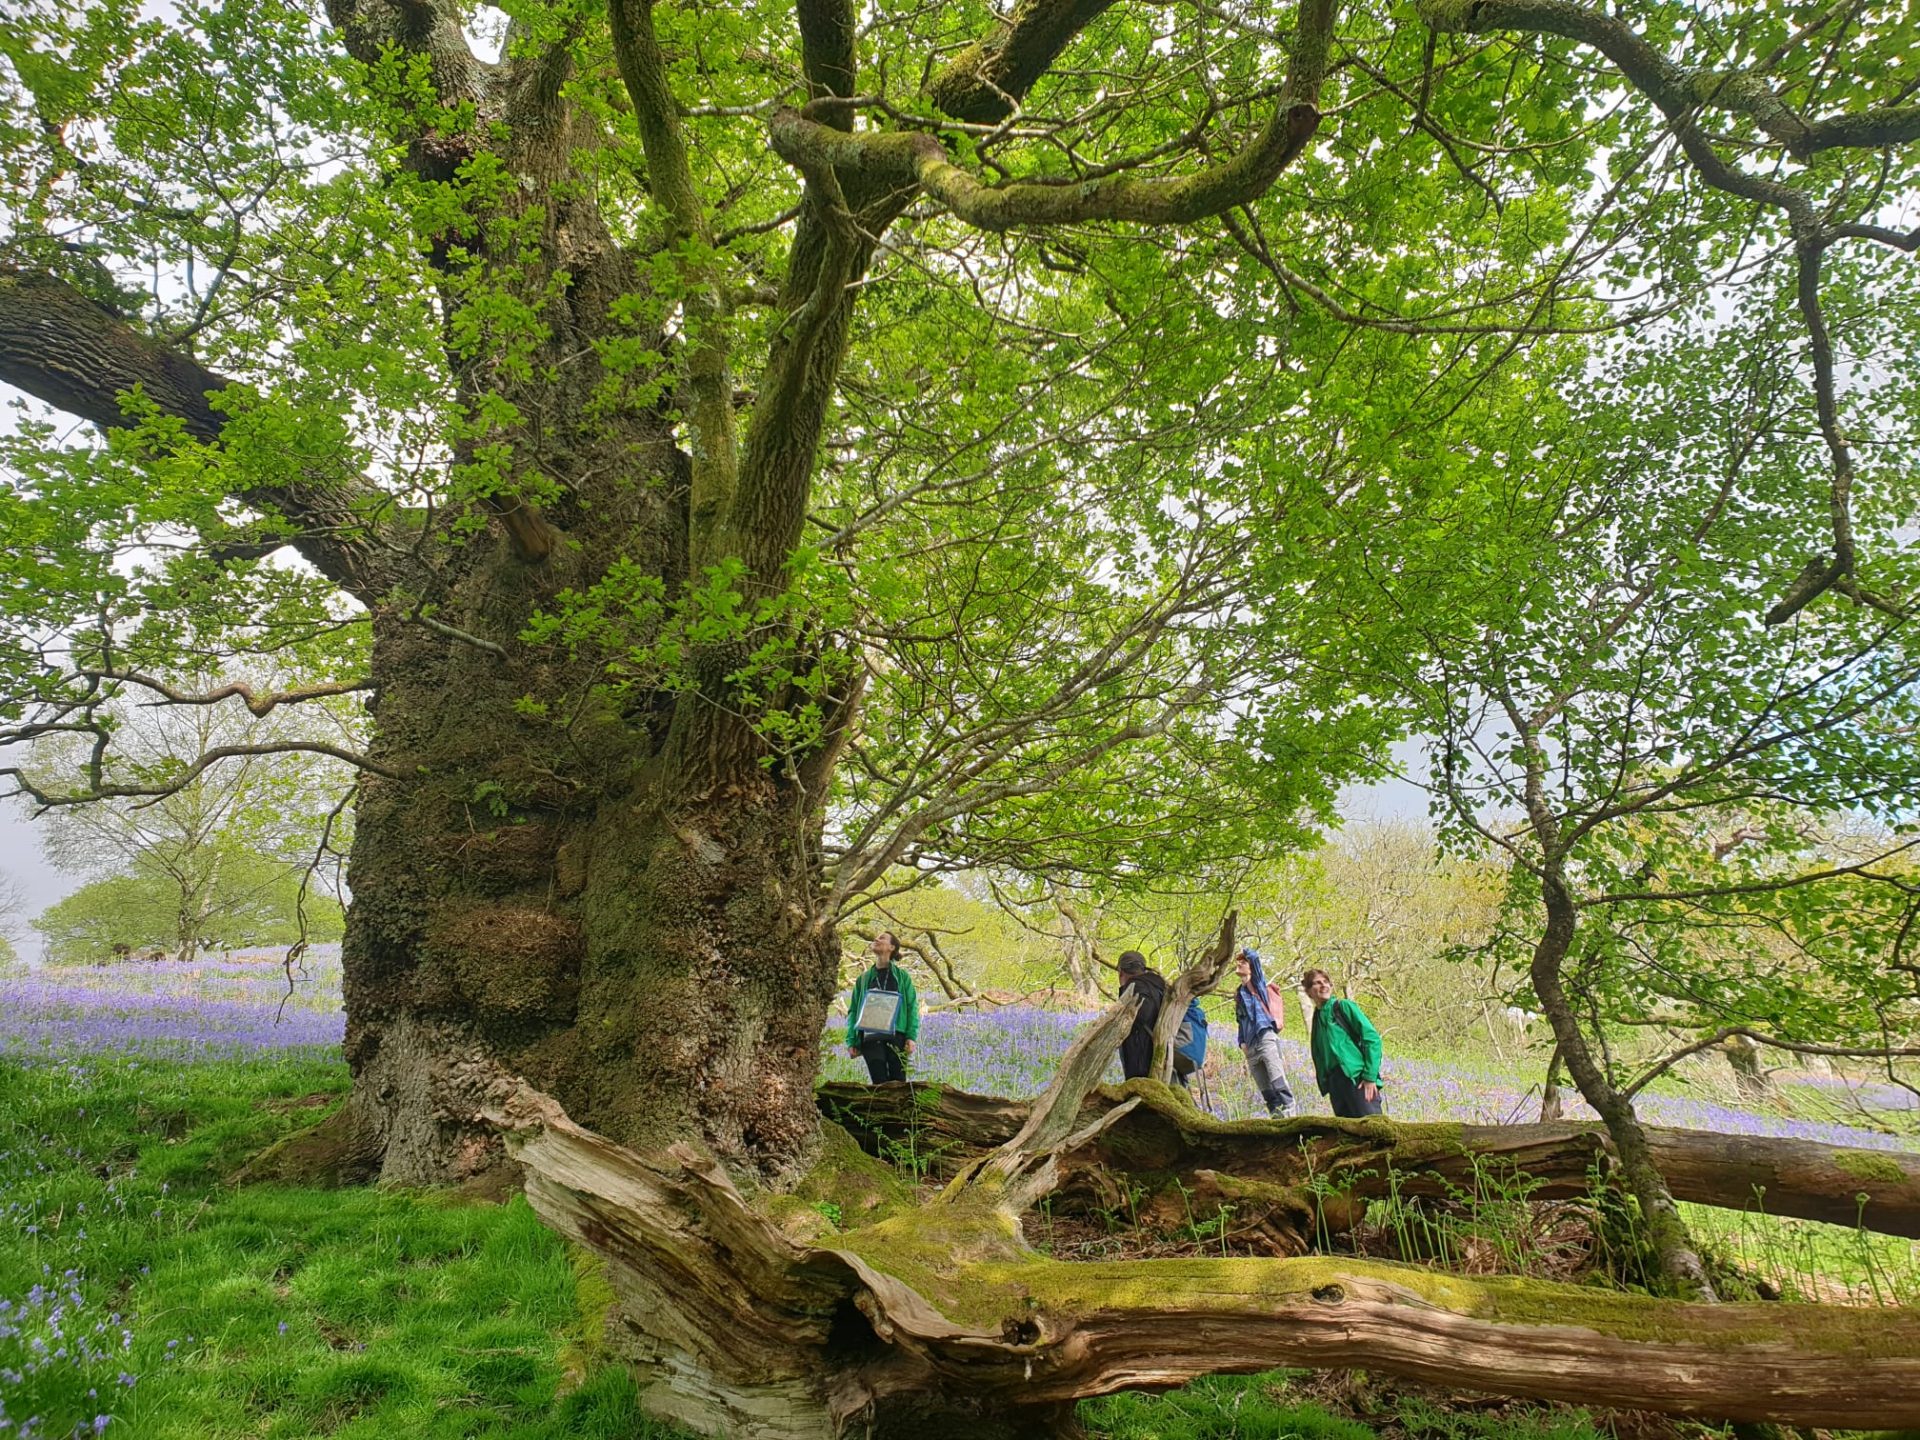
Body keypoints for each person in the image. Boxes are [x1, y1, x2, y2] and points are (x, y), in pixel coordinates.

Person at [1304, 967, 1384, 1117]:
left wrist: (1369, 1077)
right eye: (1317, 983)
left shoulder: (1343, 1007)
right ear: (1308, 991)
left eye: (1326, 982)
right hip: (1336, 1083)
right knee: (1347, 1135)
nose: (1324, 985)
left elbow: (1372, 1039)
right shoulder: (1317, 1017)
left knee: (1372, 1131)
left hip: (1357, 1079)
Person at [846, 932, 919, 1084]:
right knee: (879, 1081)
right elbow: (853, 1011)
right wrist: (852, 1040)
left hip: (896, 1035)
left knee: (898, 1081)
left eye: (882, 938)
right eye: (876, 938)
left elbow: (912, 1006)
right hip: (870, 1036)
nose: (876, 939)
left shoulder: (902, 977)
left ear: (892, 947)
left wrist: (911, 1036)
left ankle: (898, 1109)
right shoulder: (863, 979)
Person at [1233, 947, 1297, 1118]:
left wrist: (1244, 950)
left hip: (1265, 1039)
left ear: (1251, 967)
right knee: (1267, 1091)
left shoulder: (1258, 986)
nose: (1239, 963)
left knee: (1278, 1082)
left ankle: (1292, 1116)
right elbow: (1240, 1021)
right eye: (1238, 961)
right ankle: (1277, 1121)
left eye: (1243, 962)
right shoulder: (1239, 994)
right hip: (1250, 1047)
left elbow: (1255, 958)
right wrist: (1242, 1043)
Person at [1115, 950, 1168, 1082]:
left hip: (1142, 1059)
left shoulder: (1137, 987)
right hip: (1160, 1053)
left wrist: (1123, 990)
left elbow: (1137, 1019)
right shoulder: (1157, 985)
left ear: (1121, 971)